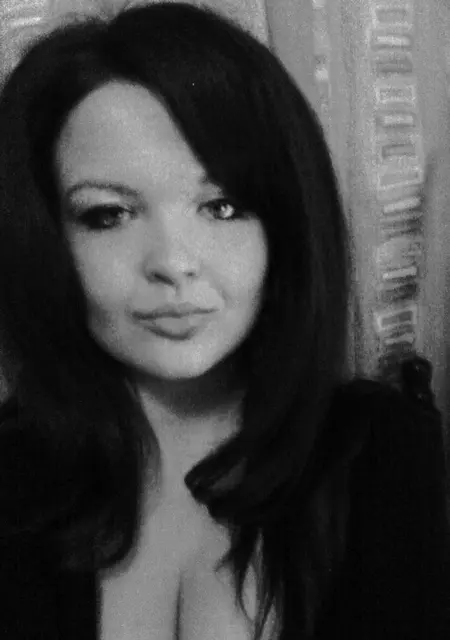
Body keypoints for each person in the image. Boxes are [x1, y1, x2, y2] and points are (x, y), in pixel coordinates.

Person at [0, 2, 448, 639]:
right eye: (108, 215)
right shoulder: (15, 474)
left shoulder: (381, 454)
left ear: (284, 223)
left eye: (223, 206)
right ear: (46, 238)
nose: (173, 264)